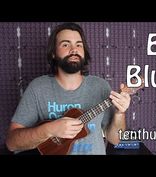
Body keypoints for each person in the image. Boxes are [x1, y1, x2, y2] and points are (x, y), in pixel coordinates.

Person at [5, 22, 131, 155]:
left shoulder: (101, 86)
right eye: (66, 44)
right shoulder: (37, 88)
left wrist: (119, 113)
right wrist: (49, 129)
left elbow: (115, 140)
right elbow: (11, 143)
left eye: (78, 44)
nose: (74, 50)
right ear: (53, 53)